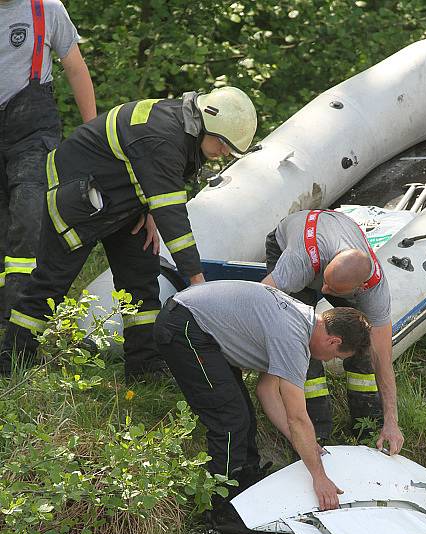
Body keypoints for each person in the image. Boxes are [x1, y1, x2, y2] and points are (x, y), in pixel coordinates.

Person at [0, 85, 257, 381]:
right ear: (206, 123)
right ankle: (13, 359)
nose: (224, 152)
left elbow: (151, 174)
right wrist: (198, 285)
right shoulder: (164, 137)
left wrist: (148, 210)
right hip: (79, 196)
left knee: (141, 278)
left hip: (122, 200)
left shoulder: (183, 129)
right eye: (223, 143)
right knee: (51, 281)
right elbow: (175, 223)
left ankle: (144, 366)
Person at [153, 280, 371, 534]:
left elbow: (266, 392)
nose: (330, 360)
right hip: (185, 328)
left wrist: (307, 446)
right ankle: (222, 514)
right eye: (335, 356)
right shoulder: (293, 338)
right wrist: (319, 477)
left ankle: (246, 490)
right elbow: (298, 418)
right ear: (334, 341)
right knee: (229, 420)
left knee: (243, 414)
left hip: (197, 323)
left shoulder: (303, 320)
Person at [262, 208, 404, 455]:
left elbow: (383, 360)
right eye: (324, 283)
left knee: (362, 345)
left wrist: (392, 421)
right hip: (296, 245)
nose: (324, 290)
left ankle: (367, 429)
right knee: (302, 340)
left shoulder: (374, 290)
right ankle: (316, 432)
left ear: (358, 288)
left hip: (331, 249)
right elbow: (259, 301)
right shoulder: (297, 263)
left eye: (332, 289)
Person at [0, 0, 96, 324]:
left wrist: (92, 135)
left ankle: (19, 323)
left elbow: (76, 68)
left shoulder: (47, 9)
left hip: (32, 134)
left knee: (29, 221)